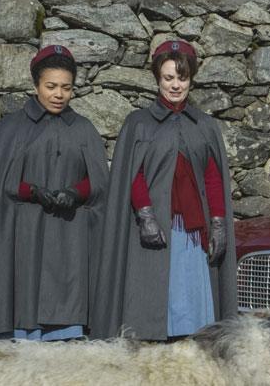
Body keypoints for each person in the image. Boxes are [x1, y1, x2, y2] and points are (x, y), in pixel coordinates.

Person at [91, 40, 236, 340]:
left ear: (191, 79)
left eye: (181, 78)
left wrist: (219, 222)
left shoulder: (204, 126)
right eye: (168, 78)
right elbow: (134, 174)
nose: (175, 85)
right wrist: (145, 214)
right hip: (156, 226)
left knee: (191, 297)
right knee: (154, 293)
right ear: (157, 79)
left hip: (194, 233)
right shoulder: (139, 124)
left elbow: (212, 177)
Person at [0, 45, 108, 340]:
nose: (58, 94)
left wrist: (76, 193)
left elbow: (99, 181)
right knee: (25, 284)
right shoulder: (10, 128)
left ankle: (64, 337)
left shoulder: (83, 129)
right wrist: (31, 191)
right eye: (51, 86)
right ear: (36, 84)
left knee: (65, 289)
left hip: (68, 234)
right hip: (23, 231)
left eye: (66, 87)